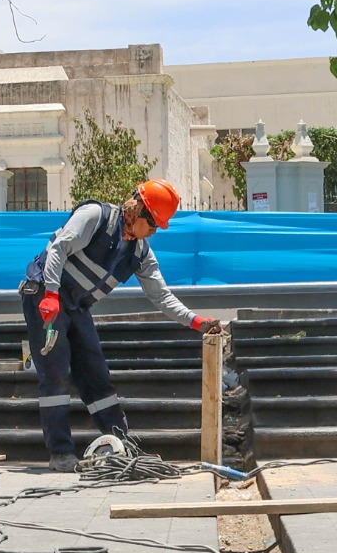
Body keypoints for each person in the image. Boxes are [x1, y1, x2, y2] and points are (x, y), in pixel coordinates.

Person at [21, 179, 224, 471]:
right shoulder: (95, 217)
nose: (154, 232)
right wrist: (51, 293)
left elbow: (161, 296)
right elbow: (58, 249)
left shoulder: (139, 252)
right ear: (137, 210)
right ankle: (61, 452)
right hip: (44, 296)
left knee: (96, 374)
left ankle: (121, 445)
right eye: (153, 224)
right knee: (55, 374)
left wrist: (196, 321)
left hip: (77, 305)